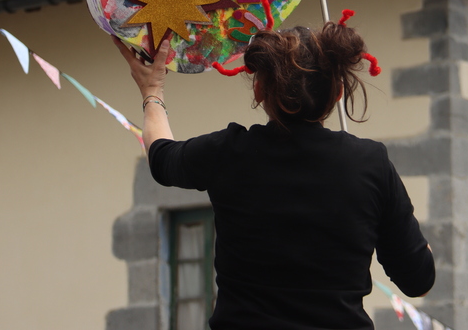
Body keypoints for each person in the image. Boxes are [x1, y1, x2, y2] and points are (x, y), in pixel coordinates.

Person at [115, 20, 435, 330]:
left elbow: (161, 158)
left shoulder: (228, 153)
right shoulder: (370, 164)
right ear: (338, 93)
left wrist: (152, 91)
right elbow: (419, 281)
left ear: (259, 90)